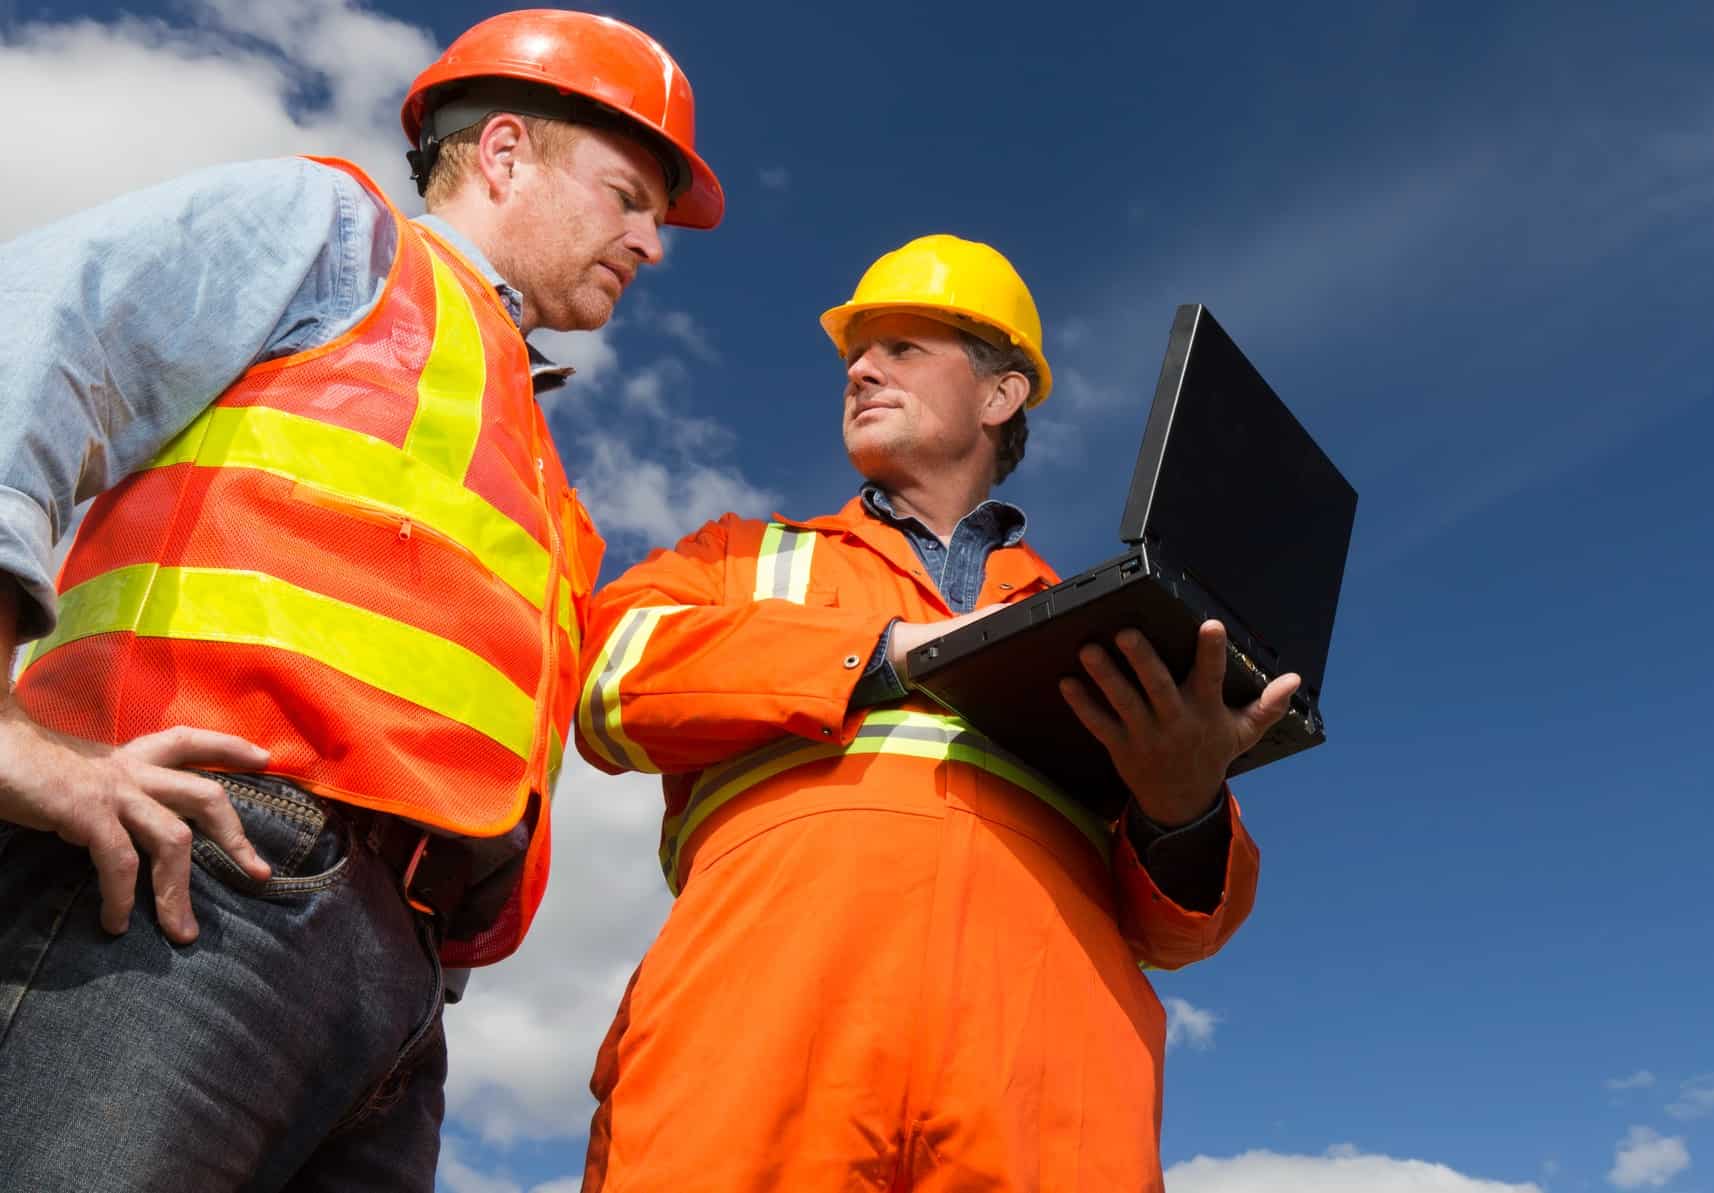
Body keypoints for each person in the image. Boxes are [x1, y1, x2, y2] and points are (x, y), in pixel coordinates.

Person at [0, 10, 721, 1189]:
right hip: (204, 877)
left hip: (397, 989)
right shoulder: (338, 237)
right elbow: (33, 332)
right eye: (628, 194)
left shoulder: (540, 470)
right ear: (502, 153)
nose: (650, 240)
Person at [574, 234, 1298, 1191]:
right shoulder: (740, 558)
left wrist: (1184, 807)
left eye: (904, 348)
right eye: (856, 356)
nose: (861, 370)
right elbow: (606, 681)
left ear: (1000, 396)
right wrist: (877, 653)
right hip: (757, 1049)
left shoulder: (1102, 624)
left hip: (1041, 1091)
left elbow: (1186, 929)